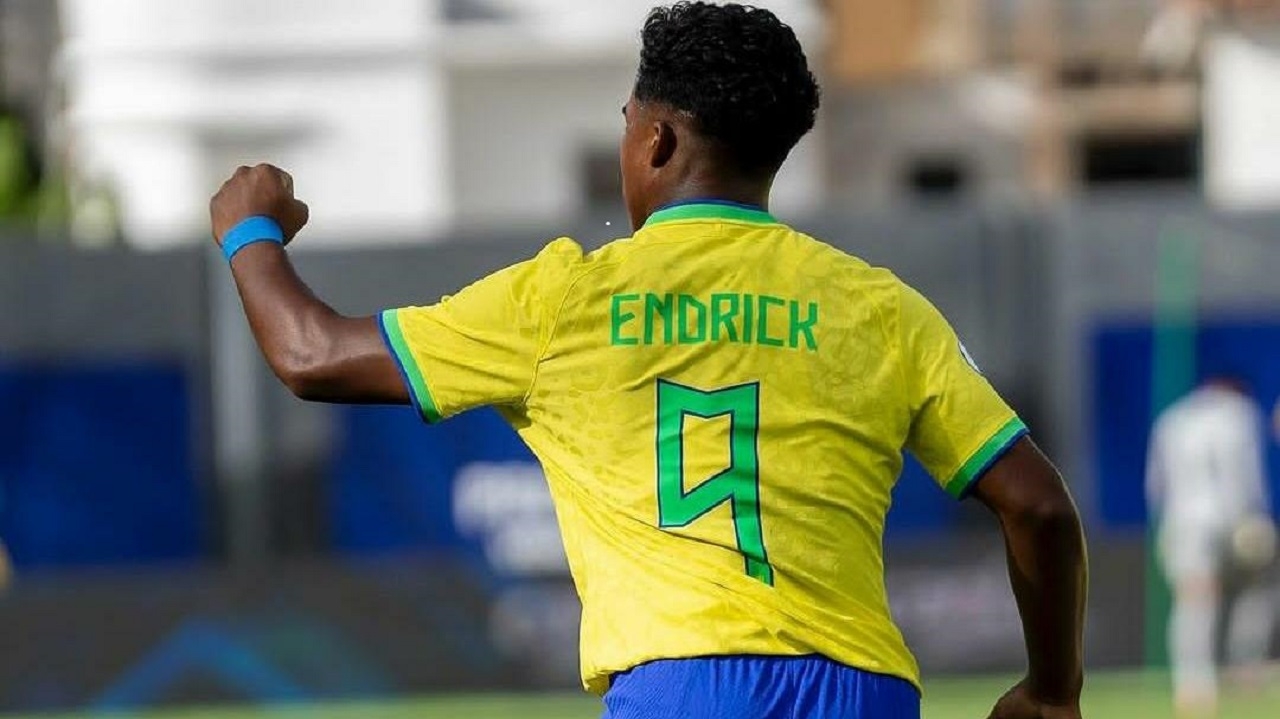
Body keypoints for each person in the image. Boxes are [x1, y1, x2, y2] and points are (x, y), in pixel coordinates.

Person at [208, 4, 1087, 718]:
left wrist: (248, 231)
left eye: (626, 124)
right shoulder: (881, 308)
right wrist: (1051, 690)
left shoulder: (564, 299)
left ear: (657, 141)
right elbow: (1039, 505)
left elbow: (310, 353)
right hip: (862, 693)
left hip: (684, 691)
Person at [1147, 376, 1276, 718]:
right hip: (1233, 518)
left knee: (1195, 602)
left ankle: (1193, 686)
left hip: (1183, 522)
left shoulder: (1171, 419)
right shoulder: (1241, 413)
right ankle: (1244, 669)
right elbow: (1246, 473)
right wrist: (1255, 516)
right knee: (1257, 590)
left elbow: (1155, 484)